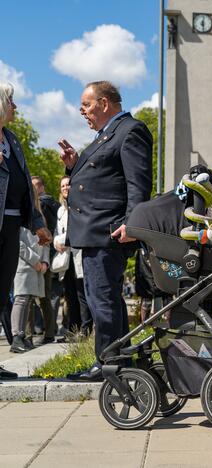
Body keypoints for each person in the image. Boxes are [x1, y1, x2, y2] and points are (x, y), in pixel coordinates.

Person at [58, 81, 152, 381]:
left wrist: (133, 223)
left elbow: (138, 184)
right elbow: (100, 177)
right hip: (94, 232)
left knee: (102, 299)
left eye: (86, 104)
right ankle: (118, 361)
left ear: (104, 103)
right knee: (104, 298)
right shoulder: (105, 136)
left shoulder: (129, 130)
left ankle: (108, 365)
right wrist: (73, 166)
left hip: (107, 231)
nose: (81, 110)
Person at [0, 82, 51, 378]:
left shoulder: (12, 140)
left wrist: (37, 223)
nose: (15, 108)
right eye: (11, 102)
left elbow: (24, 187)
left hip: (10, 225)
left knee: (1, 292)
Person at [10, 190, 50, 353]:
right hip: (25, 265)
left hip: (38, 266)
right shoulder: (19, 216)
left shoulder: (39, 217)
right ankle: (16, 336)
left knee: (28, 301)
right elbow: (17, 244)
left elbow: (46, 239)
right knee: (21, 299)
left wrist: (45, 261)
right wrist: (36, 261)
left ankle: (24, 337)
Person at [54, 175, 90, 336]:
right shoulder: (60, 210)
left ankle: (85, 330)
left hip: (79, 255)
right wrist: (56, 241)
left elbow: (77, 230)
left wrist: (64, 239)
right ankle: (72, 329)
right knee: (70, 295)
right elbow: (57, 232)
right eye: (62, 186)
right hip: (65, 258)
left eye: (68, 185)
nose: (65, 188)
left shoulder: (81, 205)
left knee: (82, 294)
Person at [31, 176, 61, 343]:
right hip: (42, 259)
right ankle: (43, 332)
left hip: (42, 260)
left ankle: (43, 333)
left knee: (41, 297)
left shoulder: (42, 206)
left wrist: (44, 261)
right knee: (40, 298)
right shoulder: (53, 204)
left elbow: (47, 236)